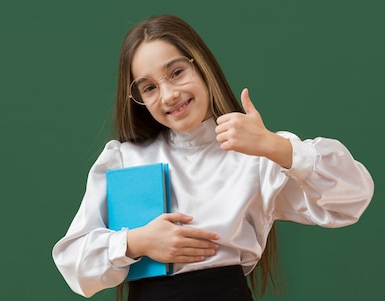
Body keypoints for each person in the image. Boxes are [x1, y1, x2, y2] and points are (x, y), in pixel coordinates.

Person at [52, 15, 373, 301]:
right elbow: (74, 264)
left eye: (176, 72)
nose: (169, 94)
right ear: (137, 99)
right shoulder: (127, 159)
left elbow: (352, 198)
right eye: (149, 88)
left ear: (201, 65)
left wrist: (277, 147)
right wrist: (136, 242)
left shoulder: (256, 153)